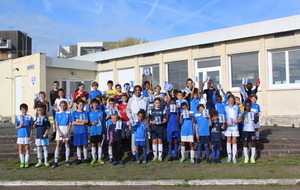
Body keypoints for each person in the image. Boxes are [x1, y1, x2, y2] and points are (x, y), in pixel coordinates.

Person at [126, 85, 149, 161]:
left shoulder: (145, 99)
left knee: (144, 137)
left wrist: (146, 117)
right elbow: (128, 110)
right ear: (134, 91)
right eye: (136, 90)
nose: (137, 91)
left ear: (141, 91)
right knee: (134, 138)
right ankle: (134, 154)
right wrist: (131, 118)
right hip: (135, 121)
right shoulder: (131, 99)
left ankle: (146, 153)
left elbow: (148, 110)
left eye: (139, 90)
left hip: (143, 120)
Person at [52, 101, 72, 168]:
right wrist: (59, 132)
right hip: (59, 129)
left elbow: (70, 123)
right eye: (62, 106)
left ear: (66, 106)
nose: (63, 107)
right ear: (60, 106)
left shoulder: (68, 113)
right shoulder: (58, 113)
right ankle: (56, 161)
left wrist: (67, 132)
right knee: (58, 145)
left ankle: (67, 160)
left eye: (64, 106)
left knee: (67, 144)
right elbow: (56, 124)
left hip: (66, 129)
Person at [15, 103, 34, 168]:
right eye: (23, 109)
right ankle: (22, 162)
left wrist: (30, 136)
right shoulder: (18, 117)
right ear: (20, 110)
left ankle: (26, 161)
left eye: (25, 109)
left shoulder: (29, 117)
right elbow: (16, 127)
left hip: (27, 135)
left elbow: (31, 127)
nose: (24, 111)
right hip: (20, 135)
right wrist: (20, 126)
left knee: (27, 148)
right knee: (20, 148)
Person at [224, 95, 241, 164]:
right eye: (230, 100)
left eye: (232, 100)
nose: (231, 101)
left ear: (234, 100)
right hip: (228, 127)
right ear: (228, 100)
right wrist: (226, 122)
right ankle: (229, 156)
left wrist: (237, 120)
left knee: (234, 141)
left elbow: (240, 115)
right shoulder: (225, 107)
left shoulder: (237, 107)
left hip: (235, 126)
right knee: (228, 141)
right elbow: (223, 117)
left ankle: (234, 156)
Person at [89, 99, 106, 165]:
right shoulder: (90, 113)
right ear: (92, 105)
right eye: (93, 104)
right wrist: (91, 123)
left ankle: (99, 158)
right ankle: (94, 158)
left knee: (99, 144)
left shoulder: (101, 112)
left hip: (100, 131)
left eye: (96, 103)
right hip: (93, 131)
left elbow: (103, 122)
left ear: (98, 104)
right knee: (93, 144)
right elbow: (88, 122)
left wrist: (104, 132)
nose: (95, 105)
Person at [72, 100, 89, 165]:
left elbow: (87, 121)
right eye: (80, 105)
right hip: (77, 131)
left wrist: (79, 120)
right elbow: (74, 122)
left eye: (82, 105)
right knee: (78, 145)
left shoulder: (85, 113)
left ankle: (85, 158)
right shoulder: (74, 113)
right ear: (77, 105)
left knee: (85, 145)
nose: (81, 106)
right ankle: (79, 158)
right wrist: (82, 123)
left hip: (84, 130)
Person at [105, 98, 122, 163]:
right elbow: (103, 119)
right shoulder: (106, 110)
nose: (112, 104)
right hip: (109, 128)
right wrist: (107, 117)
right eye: (111, 103)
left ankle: (117, 158)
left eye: (113, 103)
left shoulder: (116, 110)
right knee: (110, 142)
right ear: (109, 103)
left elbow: (120, 117)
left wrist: (117, 110)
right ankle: (111, 156)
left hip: (116, 129)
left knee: (116, 144)